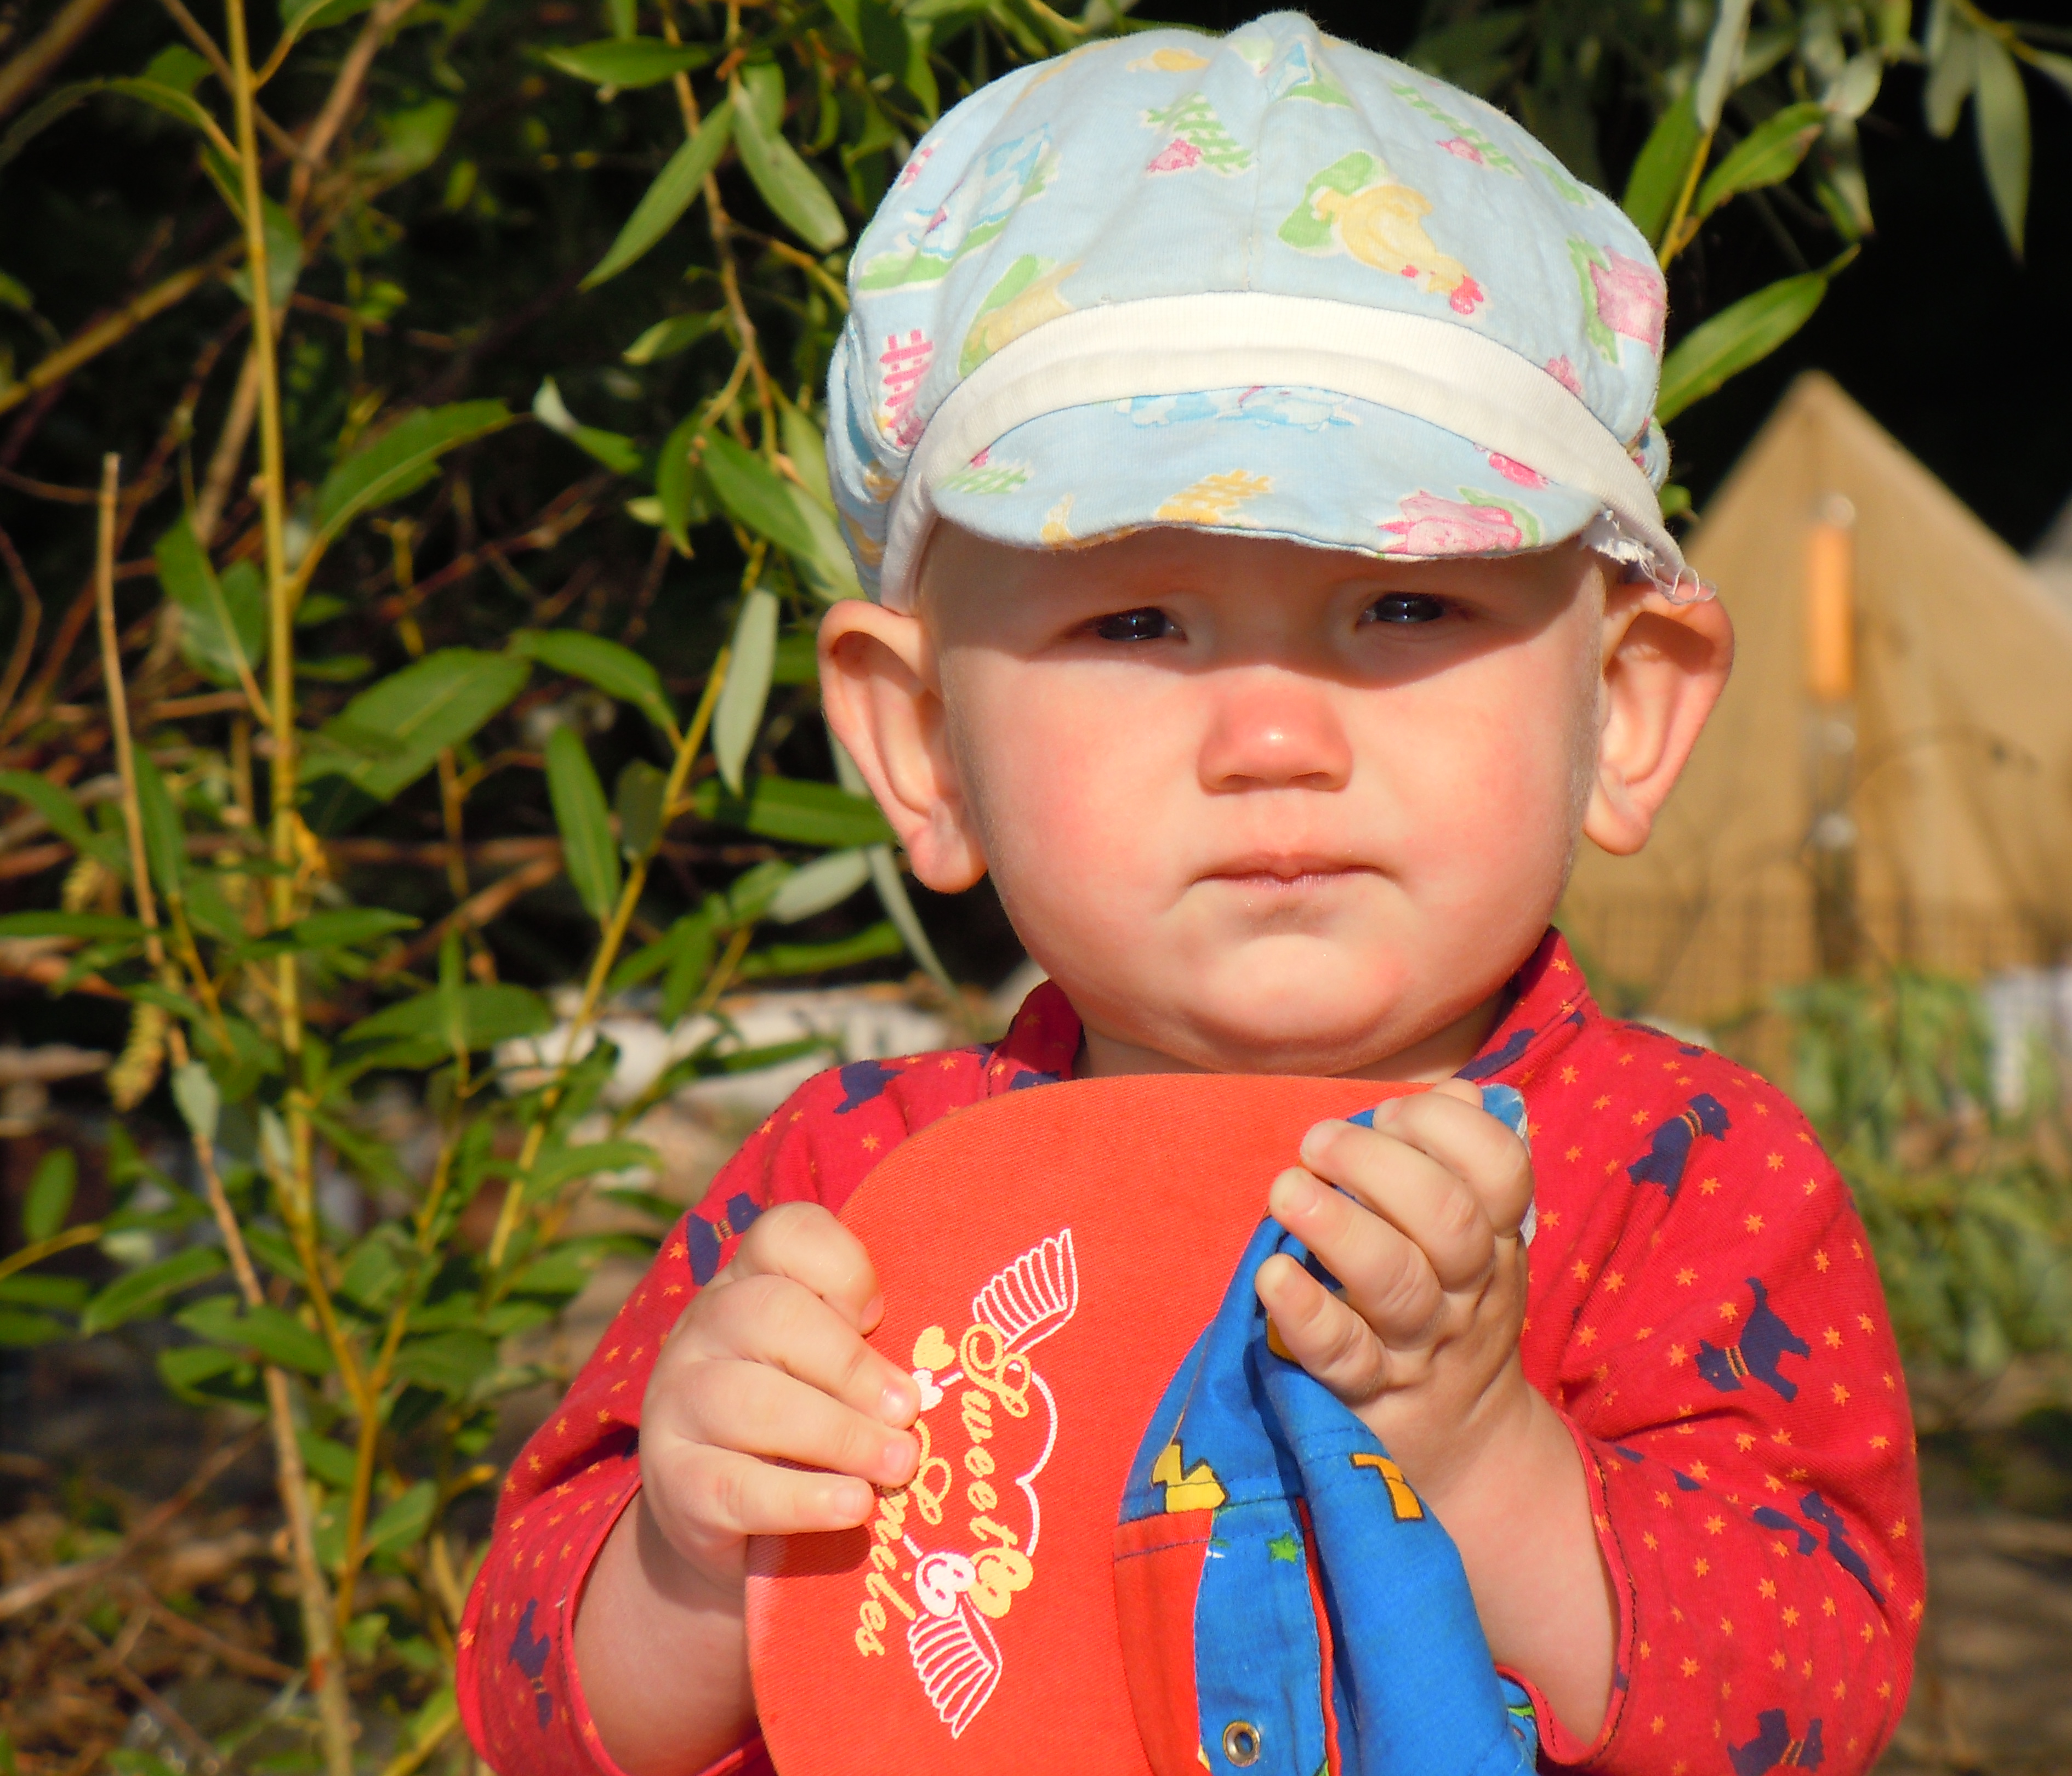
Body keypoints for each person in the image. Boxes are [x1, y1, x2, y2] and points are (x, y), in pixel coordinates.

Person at [458, 13, 1925, 1775]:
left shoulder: (1678, 1181)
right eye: (1136, 620)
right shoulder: (856, 1199)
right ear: (921, 742)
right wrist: (694, 1562)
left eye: (1407, 605)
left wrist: (1483, 1457)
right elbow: (533, 1711)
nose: (1273, 737)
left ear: (1623, 708)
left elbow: (1812, 1698)